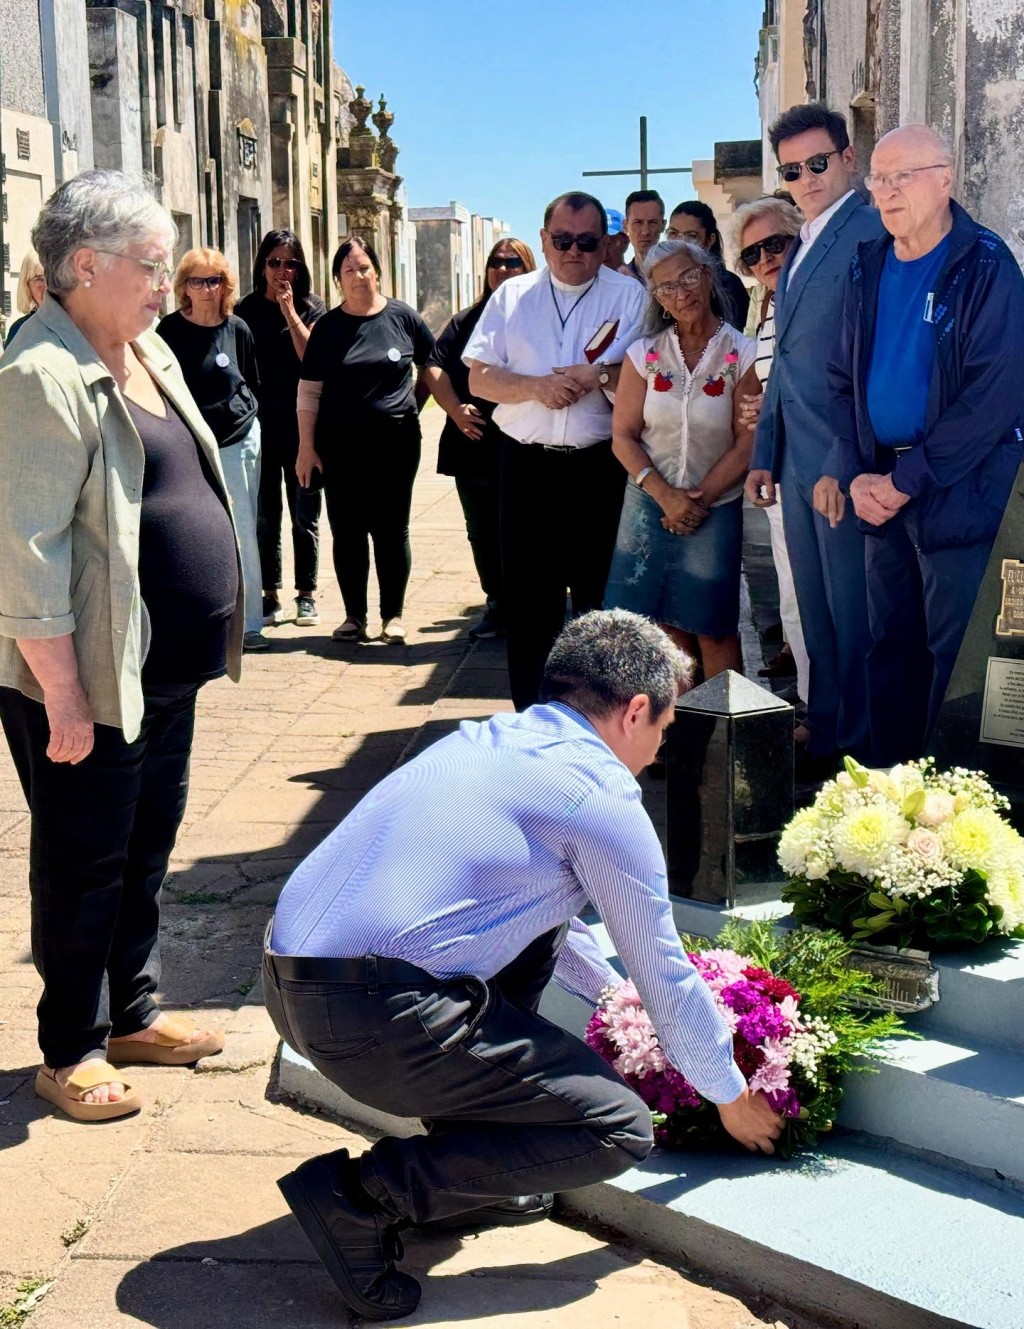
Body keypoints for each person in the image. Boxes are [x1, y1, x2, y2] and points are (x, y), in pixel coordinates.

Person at [265, 609, 783, 1322]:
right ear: (636, 709)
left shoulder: (489, 739)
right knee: (616, 1128)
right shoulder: (599, 794)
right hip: (367, 1015)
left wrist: (613, 1003)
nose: (658, 752)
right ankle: (362, 1196)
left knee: (539, 936)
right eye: (662, 729)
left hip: (289, 986)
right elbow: (663, 969)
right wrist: (728, 1094)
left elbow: (528, 920)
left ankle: (470, 1165)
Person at [0, 169, 240, 1122]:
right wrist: (61, 693)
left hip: (161, 669)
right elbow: (26, 554)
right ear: (85, 266)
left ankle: (132, 1011)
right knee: (83, 857)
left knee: (147, 846)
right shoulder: (39, 375)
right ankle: (69, 1047)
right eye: (148, 263)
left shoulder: (148, 355)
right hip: (88, 676)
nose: (164, 281)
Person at [828, 125, 1024, 764]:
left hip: (959, 494)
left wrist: (904, 482)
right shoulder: (868, 264)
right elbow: (844, 379)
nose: (883, 193)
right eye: (876, 179)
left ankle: (949, 826)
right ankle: (886, 812)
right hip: (881, 490)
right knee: (888, 652)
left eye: (899, 177)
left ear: (944, 179)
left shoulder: (987, 266)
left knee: (956, 662)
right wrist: (855, 472)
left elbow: (991, 401)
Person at [464, 191, 646, 709]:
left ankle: (601, 720)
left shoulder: (628, 297)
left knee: (599, 605)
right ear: (544, 240)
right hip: (525, 467)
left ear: (605, 243)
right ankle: (532, 717)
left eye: (587, 242)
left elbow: (644, 372)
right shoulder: (513, 296)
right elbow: (479, 377)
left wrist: (602, 375)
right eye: (562, 240)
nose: (574, 252)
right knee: (529, 605)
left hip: (598, 468)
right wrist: (535, 388)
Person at [744, 103, 883, 775]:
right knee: (814, 611)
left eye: (818, 163)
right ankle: (827, 733)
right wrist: (763, 453)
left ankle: (859, 750)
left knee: (852, 613)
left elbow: (867, 362)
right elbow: (784, 367)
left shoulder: (870, 231)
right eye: (792, 169)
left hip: (842, 461)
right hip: (793, 464)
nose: (807, 177)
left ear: (848, 158)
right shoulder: (796, 250)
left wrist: (841, 459)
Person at [604, 240, 759, 679]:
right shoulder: (644, 355)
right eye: (666, 286)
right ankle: (674, 737)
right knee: (660, 629)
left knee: (712, 628)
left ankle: (725, 738)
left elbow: (746, 443)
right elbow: (623, 436)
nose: (681, 293)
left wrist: (696, 501)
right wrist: (665, 495)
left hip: (715, 507)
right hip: (648, 505)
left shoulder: (743, 353)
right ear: (656, 297)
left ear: (708, 275)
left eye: (688, 277)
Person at [296, 238, 434, 645]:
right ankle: (354, 616)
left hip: (397, 446)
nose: (358, 276)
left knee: (393, 530)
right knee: (348, 530)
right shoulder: (328, 329)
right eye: (349, 270)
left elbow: (433, 362)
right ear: (338, 279)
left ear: (378, 270)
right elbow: (308, 392)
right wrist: (307, 447)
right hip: (340, 448)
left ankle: (393, 615)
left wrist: (415, 402)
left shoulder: (402, 317)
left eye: (364, 267)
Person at [422, 237, 537, 641]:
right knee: (482, 530)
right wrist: (454, 409)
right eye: (496, 262)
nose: (503, 270)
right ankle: (497, 603)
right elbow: (434, 366)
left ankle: (527, 603)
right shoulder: (466, 320)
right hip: (473, 441)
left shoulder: (538, 318)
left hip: (523, 443)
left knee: (523, 527)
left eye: (513, 263)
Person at [158, 248, 268, 653]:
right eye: (197, 281)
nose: (207, 289)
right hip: (189, 445)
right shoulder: (167, 332)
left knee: (242, 530)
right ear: (184, 287)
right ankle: (205, 617)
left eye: (214, 280)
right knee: (195, 533)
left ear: (226, 285)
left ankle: (250, 624)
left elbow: (251, 382)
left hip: (238, 440)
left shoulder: (237, 328)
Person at [728, 197, 809, 710]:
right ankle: (808, 700)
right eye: (751, 255)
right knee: (793, 594)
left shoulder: (813, 298)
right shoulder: (771, 309)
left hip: (819, 470)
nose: (763, 261)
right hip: (783, 468)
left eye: (774, 245)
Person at [235, 231, 325, 630]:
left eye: (290, 263)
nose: (281, 271)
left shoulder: (312, 308)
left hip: (303, 427)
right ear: (262, 266)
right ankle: (270, 593)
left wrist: (290, 314)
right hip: (260, 426)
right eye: (274, 262)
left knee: (305, 514)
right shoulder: (245, 311)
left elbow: (313, 360)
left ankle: (306, 594)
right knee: (265, 516)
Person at [667, 200, 751, 332]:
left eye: (691, 236)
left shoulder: (730, 286)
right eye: (673, 233)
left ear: (710, 240)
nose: (680, 242)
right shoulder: (660, 284)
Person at [4, 248, 47, 348]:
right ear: (27, 286)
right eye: (39, 279)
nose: (48, 286)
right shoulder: (19, 330)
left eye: (53, 277)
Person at [620, 189, 665, 282]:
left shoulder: (675, 275)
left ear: (663, 225)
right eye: (638, 223)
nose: (645, 231)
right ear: (625, 226)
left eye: (653, 222)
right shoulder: (619, 279)